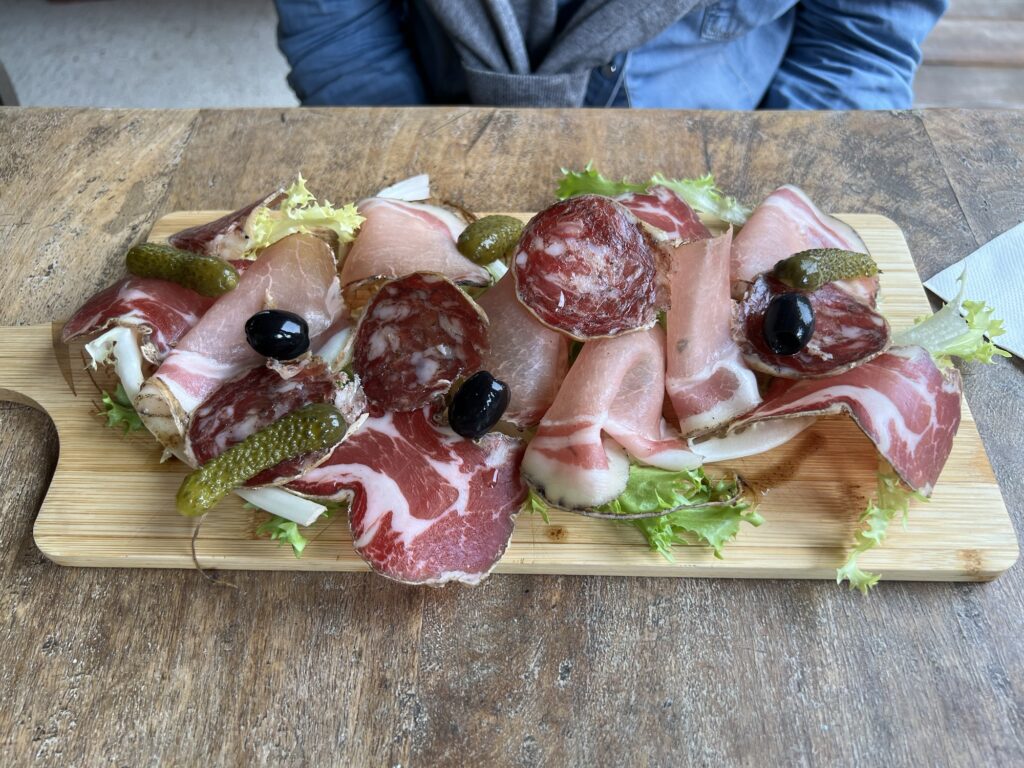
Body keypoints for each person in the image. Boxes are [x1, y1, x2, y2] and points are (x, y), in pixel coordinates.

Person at [273, 0, 946, 109]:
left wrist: (782, 209)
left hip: (726, 136)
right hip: (432, 113)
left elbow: (860, 41)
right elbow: (338, 28)